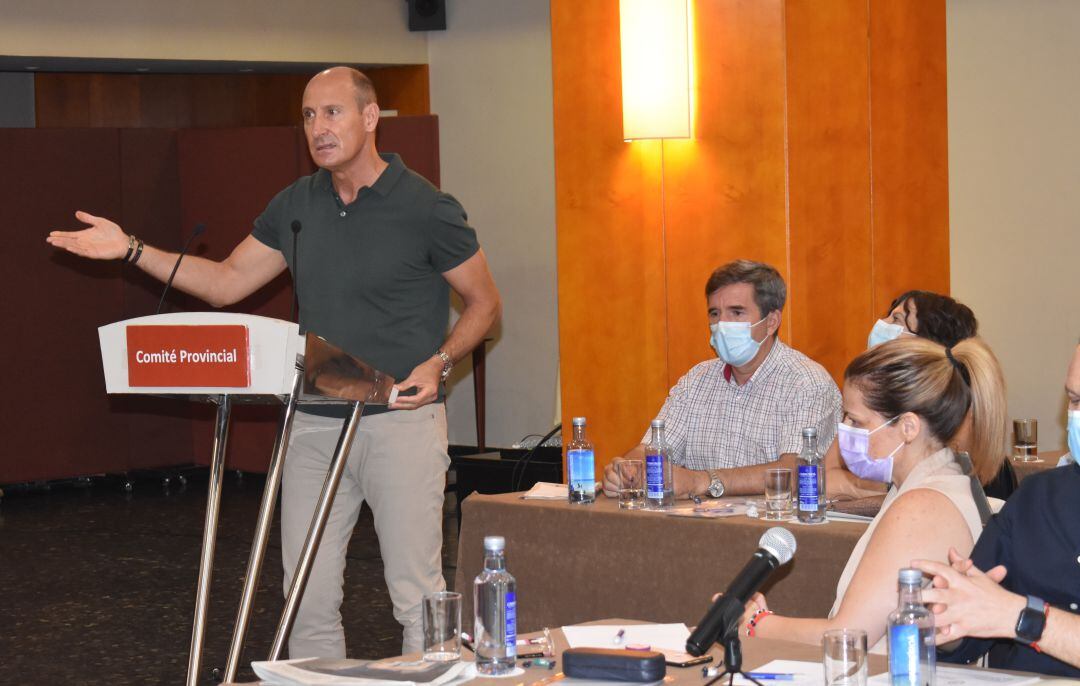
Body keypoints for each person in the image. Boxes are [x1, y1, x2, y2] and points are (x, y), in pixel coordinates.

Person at [46, 67, 502, 657]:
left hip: (400, 423)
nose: (318, 128)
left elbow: (484, 303)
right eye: (309, 116)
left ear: (370, 118)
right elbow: (226, 282)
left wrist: (439, 361)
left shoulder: (426, 207)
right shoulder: (296, 205)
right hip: (312, 421)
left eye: (333, 112)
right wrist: (131, 250)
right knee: (304, 597)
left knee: (416, 594)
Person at [737, 336, 1007, 650]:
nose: (844, 430)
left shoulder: (921, 506)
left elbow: (851, 635)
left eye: (856, 420)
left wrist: (755, 623)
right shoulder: (924, 484)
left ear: (908, 427)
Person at [601, 260, 841, 499]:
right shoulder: (696, 380)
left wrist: (703, 481)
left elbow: (796, 472)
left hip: (774, 521)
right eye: (715, 313)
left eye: (736, 312)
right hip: (697, 521)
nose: (721, 324)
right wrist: (629, 471)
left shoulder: (807, 383)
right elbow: (651, 449)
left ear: (771, 322)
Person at [910, 343, 1080, 677]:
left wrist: (1021, 617)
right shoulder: (1037, 499)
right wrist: (948, 615)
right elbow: (966, 636)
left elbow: (1005, 612)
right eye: (1075, 401)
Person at [829, 290, 980, 499]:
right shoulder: (868, 400)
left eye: (896, 319)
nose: (881, 324)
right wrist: (878, 484)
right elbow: (822, 477)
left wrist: (884, 483)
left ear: (926, 343)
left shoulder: (953, 411)